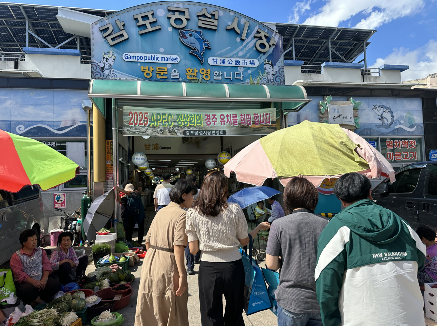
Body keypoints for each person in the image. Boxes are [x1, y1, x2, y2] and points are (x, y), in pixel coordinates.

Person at [316, 172, 426, 326]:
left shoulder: (336, 228)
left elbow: (326, 284)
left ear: (340, 200)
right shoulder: (402, 224)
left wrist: (331, 322)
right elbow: (420, 258)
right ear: (369, 192)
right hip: (409, 320)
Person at [186, 171, 270, 326]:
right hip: (233, 267)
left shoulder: (193, 212)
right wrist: (258, 228)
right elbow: (244, 241)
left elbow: (193, 250)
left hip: (208, 268)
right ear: (223, 189)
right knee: (235, 312)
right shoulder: (234, 209)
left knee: (210, 314)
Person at [134, 179, 197, 326]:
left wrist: (155, 258)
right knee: (172, 307)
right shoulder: (182, 215)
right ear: (183, 195)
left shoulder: (161, 211)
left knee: (152, 305)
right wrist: (182, 274)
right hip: (169, 262)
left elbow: (147, 241)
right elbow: (178, 246)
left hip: (151, 261)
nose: (193, 199)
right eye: (192, 195)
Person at [266, 177, 328, 326]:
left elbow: (271, 264)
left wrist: (285, 260)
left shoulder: (279, 225)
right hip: (319, 300)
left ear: (288, 199)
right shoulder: (326, 224)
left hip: (290, 300)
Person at [10, 229, 61, 305]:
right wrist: (34, 282)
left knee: (55, 284)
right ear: (24, 242)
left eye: (36, 239)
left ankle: (38, 299)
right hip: (28, 282)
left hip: (41, 279)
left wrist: (44, 279)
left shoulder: (41, 251)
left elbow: (47, 266)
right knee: (26, 290)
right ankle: (39, 301)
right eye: (31, 240)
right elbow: (19, 274)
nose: (34, 242)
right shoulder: (16, 257)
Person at [185, 175, 200, 275]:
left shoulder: (184, 192)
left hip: (186, 217)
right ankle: (197, 258)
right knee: (198, 238)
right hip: (198, 217)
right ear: (195, 182)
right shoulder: (199, 191)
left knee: (188, 241)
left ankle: (190, 266)